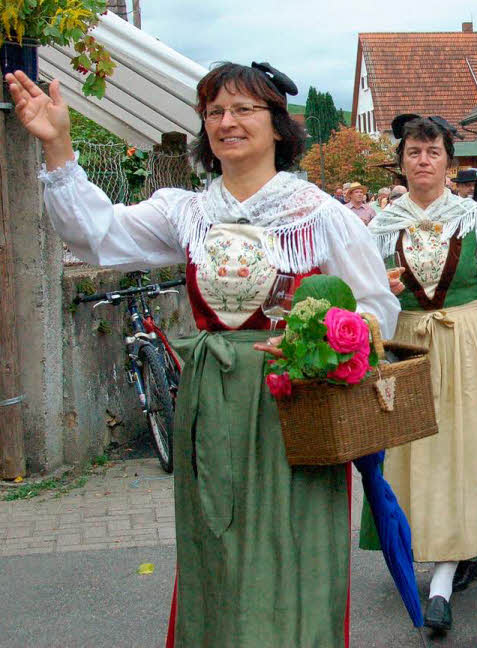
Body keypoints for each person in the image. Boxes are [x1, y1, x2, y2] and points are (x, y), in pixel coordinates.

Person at [4, 63, 399, 648]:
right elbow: (97, 235)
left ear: (278, 125)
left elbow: (374, 310)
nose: (226, 122)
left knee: (292, 543)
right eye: (214, 111)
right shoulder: (186, 211)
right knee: (217, 541)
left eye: (243, 109)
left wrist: (318, 346)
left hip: (297, 405)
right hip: (212, 401)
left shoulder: (321, 215)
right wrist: (59, 145)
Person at [359, 113, 477, 635]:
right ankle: (421, 550)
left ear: (449, 163)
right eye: (414, 153)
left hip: (466, 346)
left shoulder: (473, 219)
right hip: (404, 349)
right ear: (401, 163)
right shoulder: (378, 226)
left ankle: (443, 580)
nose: (423, 161)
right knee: (411, 457)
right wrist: (381, 294)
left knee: (463, 455)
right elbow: (362, 300)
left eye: (433, 152)